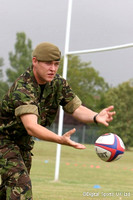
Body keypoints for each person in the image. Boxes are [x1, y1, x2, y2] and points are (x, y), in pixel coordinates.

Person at [0, 42, 115, 200]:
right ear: (35, 61)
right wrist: (59, 139)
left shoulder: (58, 83)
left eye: (56, 64)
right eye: (48, 63)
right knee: (21, 186)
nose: (53, 68)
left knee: (9, 190)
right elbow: (31, 127)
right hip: (4, 141)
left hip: (23, 144)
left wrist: (96, 116)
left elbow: (75, 108)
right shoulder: (23, 88)